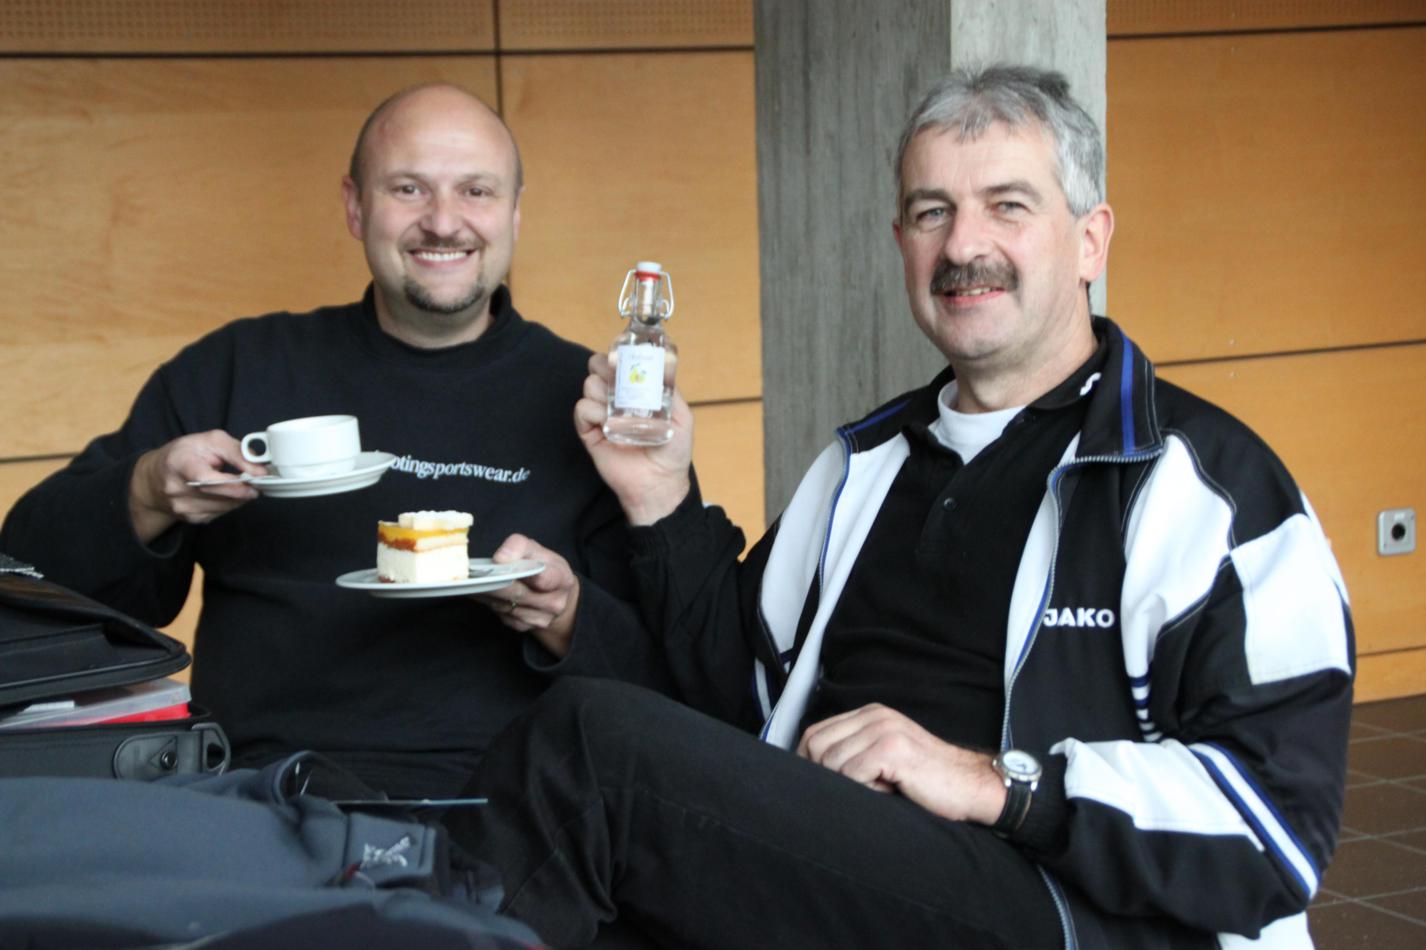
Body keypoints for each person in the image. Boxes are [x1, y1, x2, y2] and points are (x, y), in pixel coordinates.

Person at [443, 65, 1354, 948]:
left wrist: (993, 783)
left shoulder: (1201, 483)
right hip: (853, 869)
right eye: (931, 212)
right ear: (901, 242)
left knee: (588, 752)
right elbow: (731, 696)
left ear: (1091, 241)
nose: (962, 247)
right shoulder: (865, 465)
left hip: (1061, 906)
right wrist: (658, 493)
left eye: (1008, 205)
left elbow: (1278, 823)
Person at [0, 84, 669, 800]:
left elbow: (672, 677)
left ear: (514, 213)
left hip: (517, 804)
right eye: (408, 188)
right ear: (355, 207)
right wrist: (143, 494)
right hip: (262, 797)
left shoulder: (587, 402)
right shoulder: (237, 368)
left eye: (476, 191)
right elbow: (29, 582)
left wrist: (567, 617)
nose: (444, 221)